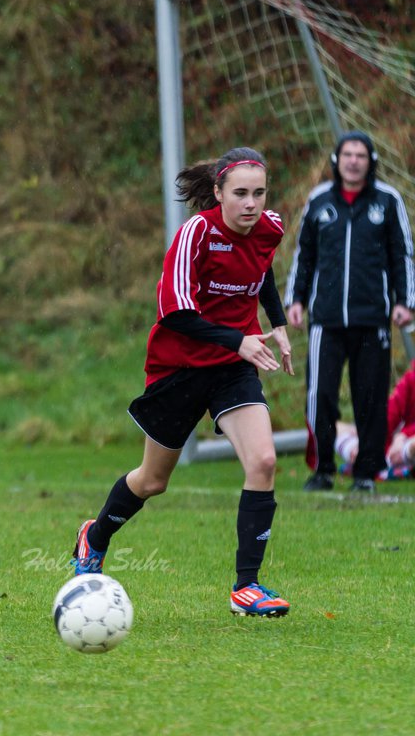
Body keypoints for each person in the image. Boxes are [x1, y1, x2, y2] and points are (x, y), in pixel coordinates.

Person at [70, 147, 295, 617]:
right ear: (217, 193)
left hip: (233, 368)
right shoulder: (196, 234)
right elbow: (174, 312)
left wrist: (276, 324)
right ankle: (95, 536)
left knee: (265, 460)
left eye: (258, 192)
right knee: (152, 481)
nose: (251, 204)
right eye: (240, 194)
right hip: (180, 366)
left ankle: (246, 587)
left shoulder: (269, 226)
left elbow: (261, 269)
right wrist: (239, 340)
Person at [284, 130, 414, 493]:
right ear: (336, 161)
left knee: (370, 397)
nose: (354, 160)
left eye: (360, 155)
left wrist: (405, 302)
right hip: (324, 320)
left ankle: (365, 474)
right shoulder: (319, 201)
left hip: (373, 319)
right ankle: (323, 468)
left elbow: (402, 255)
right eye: (348, 154)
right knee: (321, 393)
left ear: (370, 161)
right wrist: (295, 299)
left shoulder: (388, 201)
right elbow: (304, 255)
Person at [333, 358, 415, 481]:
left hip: (408, 444)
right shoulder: (411, 379)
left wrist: (403, 435)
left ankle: (387, 464)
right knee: (333, 427)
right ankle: (365, 458)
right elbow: (391, 411)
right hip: (395, 446)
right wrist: (370, 440)